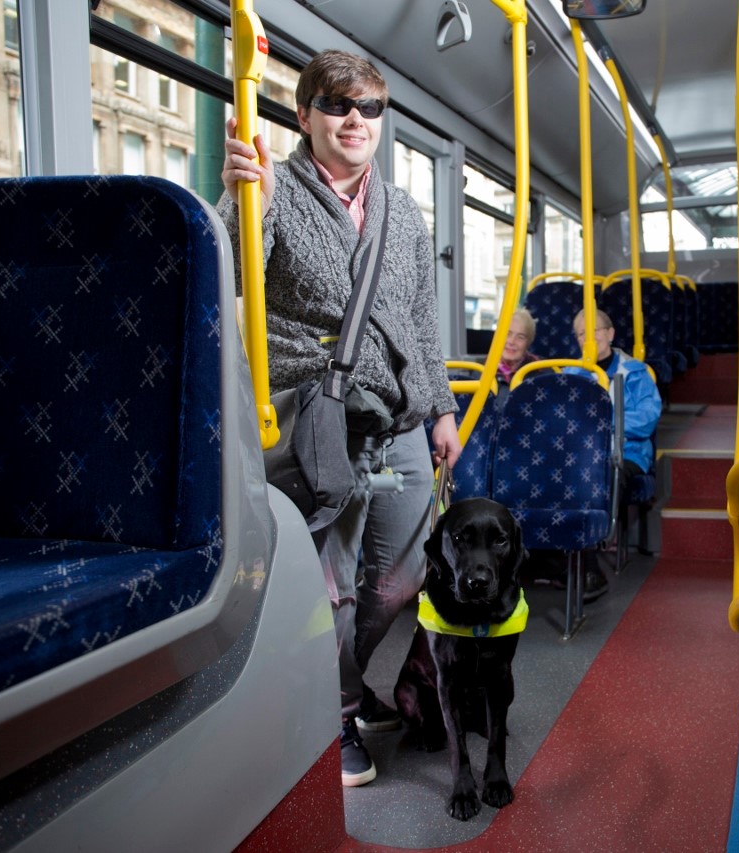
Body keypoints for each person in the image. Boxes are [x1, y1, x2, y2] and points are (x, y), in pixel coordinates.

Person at [218, 50, 462, 788]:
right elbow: (228, 275)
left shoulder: (404, 213)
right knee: (330, 584)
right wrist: (240, 201)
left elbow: (420, 321)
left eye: (369, 108)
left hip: (398, 418)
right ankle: (339, 709)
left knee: (397, 578)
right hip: (315, 412)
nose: (354, 119)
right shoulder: (274, 191)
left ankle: (342, 686)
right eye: (335, 104)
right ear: (304, 116)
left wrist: (443, 408)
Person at [563, 308, 662, 596]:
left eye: (595, 330)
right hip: (582, 454)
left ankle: (588, 561)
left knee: (600, 476)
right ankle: (585, 565)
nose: (589, 338)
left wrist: (603, 423)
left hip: (628, 451)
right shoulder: (572, 373)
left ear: (610, 334)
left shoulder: (636, 372)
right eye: (582, 333)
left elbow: (646, 419)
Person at [495, 307, 540, 403]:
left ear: (528, 343)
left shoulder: (541, 372)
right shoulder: (481, 372)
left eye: (520, 337)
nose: (512, 342)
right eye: (507, 334)